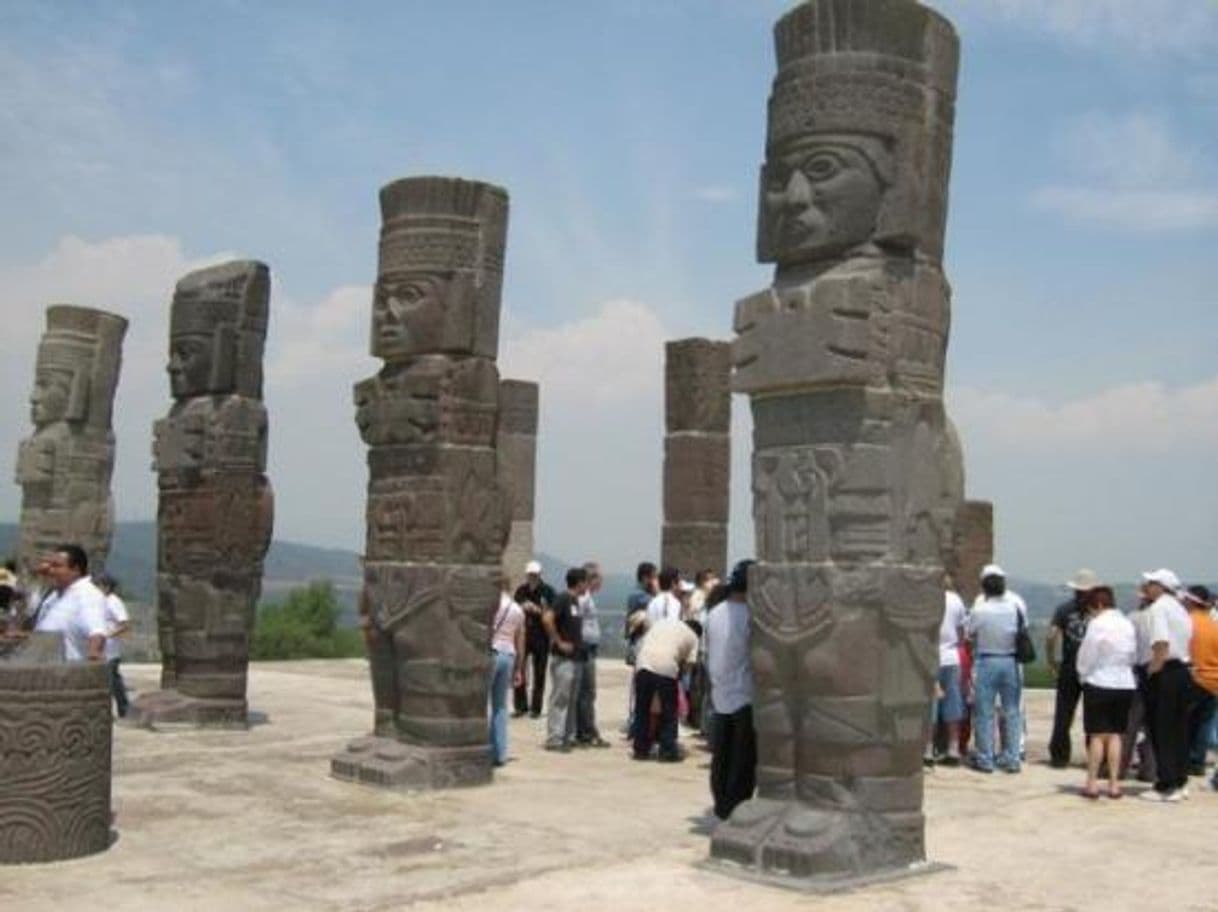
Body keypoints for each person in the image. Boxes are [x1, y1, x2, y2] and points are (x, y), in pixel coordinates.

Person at [1075, 585, 1136, 799]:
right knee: (1116, 735)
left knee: (1098, 735)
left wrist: (1082, 674)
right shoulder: (1127, 623)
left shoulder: (1098, 624)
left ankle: (1092, 783)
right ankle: (1114, 784)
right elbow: (1132, 654)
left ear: (1099, 605)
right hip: (1124, 682)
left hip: (1100, 680)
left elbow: (1087, 654)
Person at [705, 560, 755, 819]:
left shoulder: (714, 613)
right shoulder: (749, 616)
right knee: (742, 758)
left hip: (720, 692)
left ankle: (721, 803)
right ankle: (736, 806)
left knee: (721, 756)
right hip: (743, 693)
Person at [966, 564, 1027, 774]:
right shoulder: (1014, 608)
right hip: (1009, 660)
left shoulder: (980, 609)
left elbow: (970, 632)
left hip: (987, 659)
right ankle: (1012, 757)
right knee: (1011, 710)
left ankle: (985, 757)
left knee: (984, 712)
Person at [1138, 568, 1193, 802]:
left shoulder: (1158, 608)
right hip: (1182, 670)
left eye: (1151, 582)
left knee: (1161, 729)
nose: (1146, 586)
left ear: (1161, 586)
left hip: (1165, 671)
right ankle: (1180, 779)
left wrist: (1154, 667)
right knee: (1178, 729)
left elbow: (1161, 640)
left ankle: (1166, 784)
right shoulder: (1180, 608)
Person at [1046, 568, 1099, 767]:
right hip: (1093, 668)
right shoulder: (1099, 612)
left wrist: (1052, 661)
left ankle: (1059, 756)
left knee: (1063, 714)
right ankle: (1093, 754)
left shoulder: (1063, 609)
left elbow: (1051, 637)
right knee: (1093, 716)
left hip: (1069, 665)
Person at [632, 613, 699, 762]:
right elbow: (688, 667)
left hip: (643, 664)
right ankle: (667, 751)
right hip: (667, 669)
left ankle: (640, 750)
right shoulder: (693, 638)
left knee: (642, 709)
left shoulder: (663, 622)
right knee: (669, 712)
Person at [541, 567, 588, 752]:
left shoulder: (575, 601)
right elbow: (547, 619)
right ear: (579, 582)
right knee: (560, 698)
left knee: (571, 698)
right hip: (563, 658)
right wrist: (559, 641)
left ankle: (566, 736)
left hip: (576, 658)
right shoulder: (563, 598)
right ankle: (554, 738)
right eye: (585, 581)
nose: (587, 585)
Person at [33, 544, 106, 662]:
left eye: (57, 566)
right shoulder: (54, 596)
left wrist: (94, 652)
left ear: (76, 570)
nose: (50, 570)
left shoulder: (87, 594)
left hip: (68, 671)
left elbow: (97, 631)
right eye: (50, 566)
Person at [928, 579, 968, 766]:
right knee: (953, 701)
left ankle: (928, 747)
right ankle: (953, 747)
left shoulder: (926, 598)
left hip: (930, 656)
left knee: (930, 704)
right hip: (952, 657)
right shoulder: (956, 600)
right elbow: (961, 632)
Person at [488, 575, 525, 767]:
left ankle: (484, 750)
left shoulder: (490, 605)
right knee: (500, 706)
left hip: (491, 653)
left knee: (483, 704)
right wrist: (519, 669)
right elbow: (520, 641)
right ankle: (500, 753)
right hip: (508, 655)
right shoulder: (517, 609)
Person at [1182, 585, 1218, 777]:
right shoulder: (1213, 624)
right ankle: (1198, 762)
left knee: (1185, 722)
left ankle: (1185, 760)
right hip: (1213, 681)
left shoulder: (1188, 622)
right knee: (1204, 724)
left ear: (1191, 601)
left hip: (1194, 677)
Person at [513, 560, 556, 719]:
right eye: (530, 574)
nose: (533, 577)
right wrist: (523, 607)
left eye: (535, 574)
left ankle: (536, 708)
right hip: (523, 635)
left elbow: (553, 613)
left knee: (540, 673)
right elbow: (515, 608)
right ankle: (520, 706)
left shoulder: (548, 591)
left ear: (540, 574)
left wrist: (537, 610)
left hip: (541, 636)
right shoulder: (521, 590)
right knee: (520, 670)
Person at [573, 561, 608, 747]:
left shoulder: (587, 597)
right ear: (591, 579)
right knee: (587, 692)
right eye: (600, 578)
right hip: (585, 648)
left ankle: (584, 729)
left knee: (585, 692)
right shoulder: (584, 598)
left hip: (588, 647)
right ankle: (587, 731)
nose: (601, 582)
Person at [622, 562, 659, 736]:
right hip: (639, 643)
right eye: (654, 576)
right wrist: (659, 590)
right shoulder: (639, 596)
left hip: (642, 643)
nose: (655, 580)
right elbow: (658, 602)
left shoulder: (640, 594)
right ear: (646, 577)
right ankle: (634, 722)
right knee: (639, 685)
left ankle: (636, 721)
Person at [93, 573, 131, 717]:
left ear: (106, 587)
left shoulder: (113, 602)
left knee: (110, 682)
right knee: (112, 682)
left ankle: (120, 709)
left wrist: (108, 635)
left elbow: (124, 625)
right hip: (101, 649)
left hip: (110, 650)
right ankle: (122, 709)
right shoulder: (99, 602)